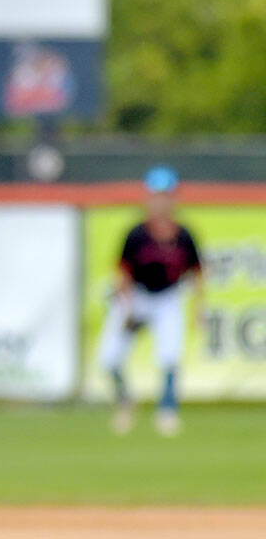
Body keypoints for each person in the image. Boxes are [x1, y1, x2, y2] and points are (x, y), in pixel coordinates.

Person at [98, 165, 205, 436]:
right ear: (148, 197)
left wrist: (198, 307)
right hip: (137, 296)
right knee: (109, 357)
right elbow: (122, 272)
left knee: (170, 354)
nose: (160, 201)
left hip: (167, 297)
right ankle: (125, 403)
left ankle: (167, 410)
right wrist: (128, 308)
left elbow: (197, 272)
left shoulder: (183, 235)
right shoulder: (137, 234)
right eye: (156, 195)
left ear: (173, 198)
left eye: (165, 195)